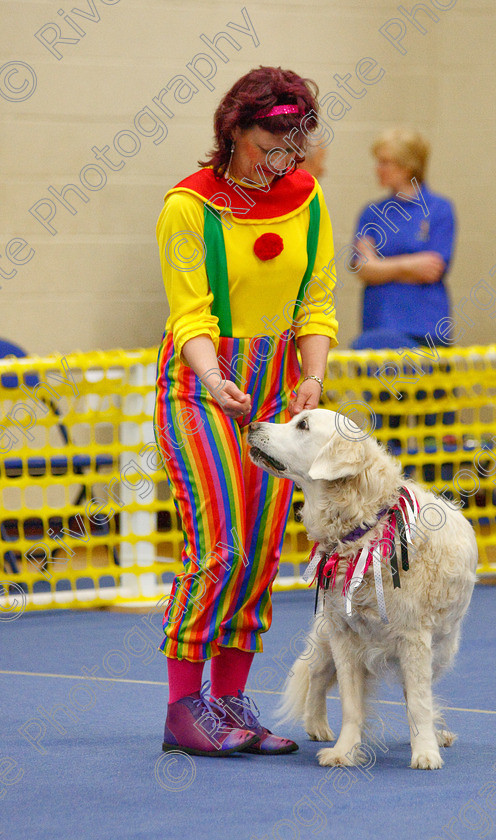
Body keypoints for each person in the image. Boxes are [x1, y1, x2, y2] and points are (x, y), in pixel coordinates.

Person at [153, 66, 338, 757]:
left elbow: (315, 303)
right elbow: (190, 314)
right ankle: (182, 708)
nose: (281, 162)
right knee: (220, 545)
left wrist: (311, 378)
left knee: (260, 552)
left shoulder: (308, 198)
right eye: (271, 145)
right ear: (233, 131)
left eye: (296, 146)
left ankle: (229, 702)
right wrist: (214, 377)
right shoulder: (189, 205)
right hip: (200, 386)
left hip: (275, 389)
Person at [351, 127, 455, 350]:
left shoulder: (439, 209)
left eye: (384, 162)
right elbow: (363, 268)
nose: (377, 169)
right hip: (379, 323)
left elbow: (433, 268)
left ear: (408, 166)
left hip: (425, 327)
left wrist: (381, 267)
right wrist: (410, 265)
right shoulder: (371, 213)